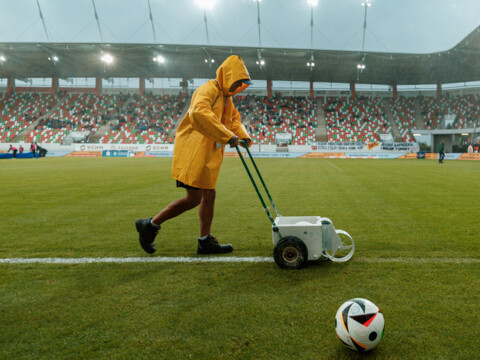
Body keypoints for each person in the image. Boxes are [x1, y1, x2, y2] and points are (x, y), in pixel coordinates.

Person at [135, 55, 253, 255]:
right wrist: (227, 135)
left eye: (241, 84)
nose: (237, 87)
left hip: (208, 152)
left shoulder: (227, 98)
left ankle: (203, 240)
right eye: (236, 82)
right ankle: (150, 225)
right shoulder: (208, 90)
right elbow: (198, 113)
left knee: (208, 194)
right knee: (194, 198)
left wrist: (243, 137)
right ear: (227, 77)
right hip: (193, 150)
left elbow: (233, 120)